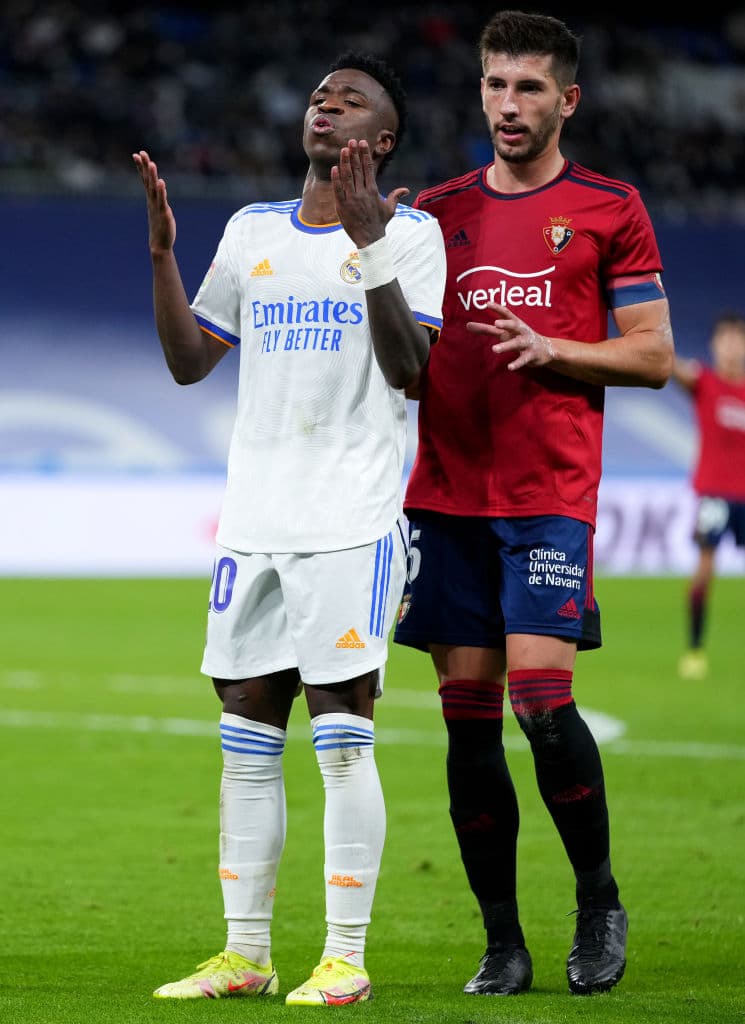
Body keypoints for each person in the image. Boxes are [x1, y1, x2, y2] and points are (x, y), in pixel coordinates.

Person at [133, 51, 445, 1006]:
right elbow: (191, 363)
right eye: (318, 94)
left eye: (347, 102)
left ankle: (344, 957)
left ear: (378, 142)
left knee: (343, 738)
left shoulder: (414, 233)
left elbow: (411, 371)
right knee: (245, 738)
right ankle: (246, 954)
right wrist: (161, 255)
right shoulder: (251, 229)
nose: (324, 106)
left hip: (350, 519)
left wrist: (370, 243)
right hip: (254, 521)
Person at [394, 10, 674, 997]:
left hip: (547, 493)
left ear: (567, 99)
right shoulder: (432, 212)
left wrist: (557, 349)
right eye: (494, 85)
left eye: (527, 88)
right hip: (446, 496)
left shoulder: (610, 206)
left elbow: (651, 353)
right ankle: (501, 940)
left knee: (541, 705)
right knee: (466, 721)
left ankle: (596, 898)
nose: (508, 105)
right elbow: (397, 348)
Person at [672, 312, 745, 680]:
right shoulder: (705, 381)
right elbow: (670, 366)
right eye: (726, 339)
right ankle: (695, 650)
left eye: (738, 339)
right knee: (703, 573)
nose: (732, 346)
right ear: (715, 345)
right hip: (714, 494)